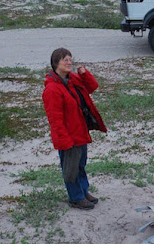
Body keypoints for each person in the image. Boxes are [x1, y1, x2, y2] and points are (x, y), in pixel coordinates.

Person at [42, 48, 107, 210]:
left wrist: (84, 74)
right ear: (56, 63)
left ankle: (83, 192)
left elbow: (92, 87)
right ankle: (75, 197)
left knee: (80, 165)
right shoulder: (52, 89)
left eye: (70, 59)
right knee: (70, 169)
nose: (69, 63)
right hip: (69, 136)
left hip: (80, 131)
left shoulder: (73, 79)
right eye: (65, 60)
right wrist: (64, 140)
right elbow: (55, 120)